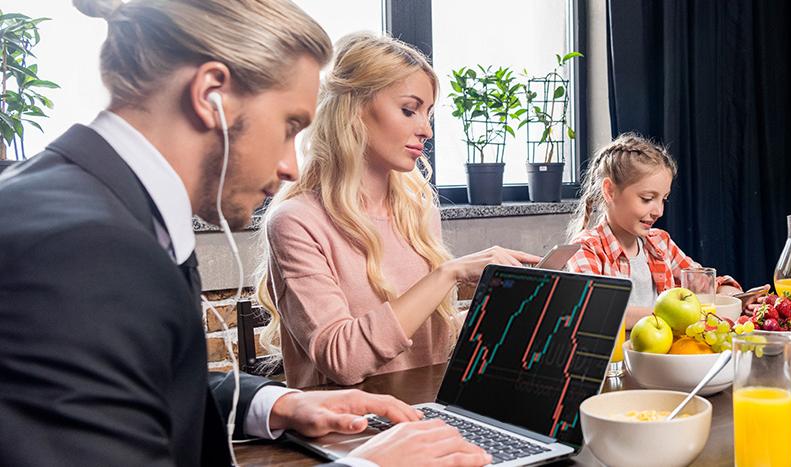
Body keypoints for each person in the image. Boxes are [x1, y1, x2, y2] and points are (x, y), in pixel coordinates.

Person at [0, 1, 488, 466]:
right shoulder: (80, 248)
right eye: (287, 126)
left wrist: (276, 403)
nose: (290, 167)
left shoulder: (104, 207)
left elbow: (140, 388)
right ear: (210, 94)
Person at [256, 33, 539, 387]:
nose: (426, 129)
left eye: (428, 113)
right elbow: (343, 360)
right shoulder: (296, 221)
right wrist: (448, 274)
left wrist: (501, 310)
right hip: (348, 432)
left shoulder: (417, 210)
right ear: (354, 108)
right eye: (409, 109)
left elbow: (419, 344)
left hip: (424, 415)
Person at [566, 133, 744, 324]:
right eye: (647, 199)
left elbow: (704, 284)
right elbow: (597, 308)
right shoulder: (586, 248)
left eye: (663, 199)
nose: (659, 211)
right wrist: (674, 316)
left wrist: (734, 297)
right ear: (610, 191)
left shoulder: (660, 242)